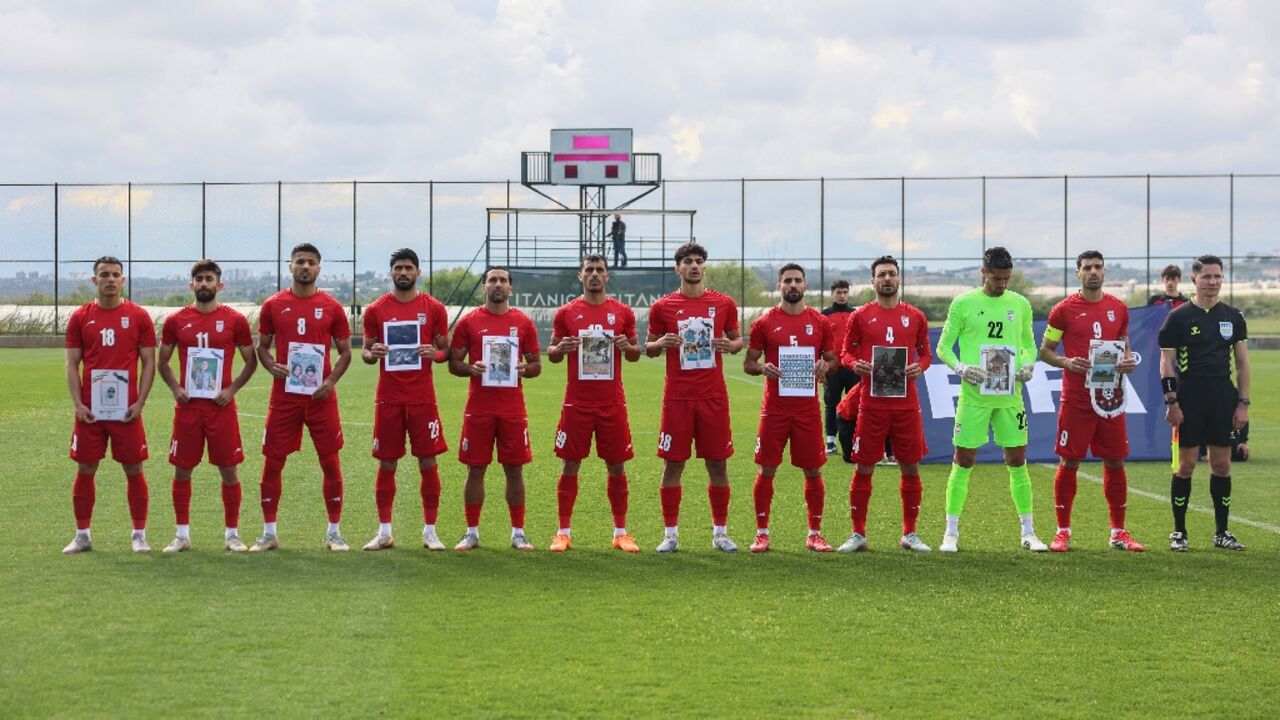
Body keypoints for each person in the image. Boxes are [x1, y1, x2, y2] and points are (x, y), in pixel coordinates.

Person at [936, 246, 1047, 553]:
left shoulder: (1020, 304)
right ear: (983, 272)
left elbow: (1028, 345)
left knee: (1017, 459)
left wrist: (1027, 364)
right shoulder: (964, 304)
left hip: (1010, 395)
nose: (1002, 284)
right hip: (974, 396)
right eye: (997, 278)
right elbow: (943, 347)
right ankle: (951, 533)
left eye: (1007, 278)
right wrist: (961, 367)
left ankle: (1028, 532)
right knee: (964, 459)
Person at [1038, 250, 1144, 553]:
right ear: (1078, 274)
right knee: (1069, 460)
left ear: (1105, 271)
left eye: (1098, 267)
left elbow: (1124, 344)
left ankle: (1118, 532)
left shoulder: (1118, 308)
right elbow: (1045, 350)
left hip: (1109, 396)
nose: (1093, 272)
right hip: (1076, 399)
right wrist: (1065, 362)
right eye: (1087, 268)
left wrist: (1126, 362)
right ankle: (1062, 532)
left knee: (1115, 460)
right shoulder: (1063, 310)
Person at [251, 243, 354, 552]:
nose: (305, 266)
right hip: (285, 396)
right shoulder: (273, 304)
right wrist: (272, 366)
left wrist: (331, 380)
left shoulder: (333, 306)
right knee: (273, 461)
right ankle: (269, 533)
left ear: (319, 269)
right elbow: (262, 347)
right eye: (300, 262)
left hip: (321, 397)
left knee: (330, 461)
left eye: (310, 262)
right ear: (290, 266)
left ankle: (334, 532)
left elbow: (346, 352)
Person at [646, 242, 744, 553]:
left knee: (718, 464)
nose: (694, 266)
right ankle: (671, 534)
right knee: (673, 464)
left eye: (699, 261)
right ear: (678, 268)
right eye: (687, 261)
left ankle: (720, 533)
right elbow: (648, 348)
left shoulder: (723, 303)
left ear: (705, 267)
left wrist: (731, 346)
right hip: (677, 397)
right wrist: (662, 341)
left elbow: (737, 339)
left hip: (713, 396)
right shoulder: (662, 307)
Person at [155, 259, 258, 553]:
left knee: (229, 471)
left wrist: (232, 389)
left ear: (219, 285)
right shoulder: (176, 321)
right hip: (188, 409)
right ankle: (182, 535)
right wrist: (175, 388)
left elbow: (251, 361)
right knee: (182, 471)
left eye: (209, 279)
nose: (204, 283)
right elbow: (162, 360)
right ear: (191, 285)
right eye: (198, 279)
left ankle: (232, 535)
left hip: (221, 409)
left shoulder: (235, 320)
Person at [545, 254, 642, 552]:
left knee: (616, 465)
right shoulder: (566, 313)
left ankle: (621, 532)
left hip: (612, 402)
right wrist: (560, 347)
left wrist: (629, 347)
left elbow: (636, 353)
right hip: (577, 402)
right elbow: (552, 353)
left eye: (600, 270)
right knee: (570, 463)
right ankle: (563, 532)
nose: (595, 275)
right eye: (589, 270)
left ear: (607, 276)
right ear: (581, 276)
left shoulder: (622, 312)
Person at [62, 256, 157, 555]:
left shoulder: (139, 316)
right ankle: (82, 535)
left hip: (126, 411)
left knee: (133, 467)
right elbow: (72, 363)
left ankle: (139, 534)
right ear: (95, 280)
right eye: (104, 274)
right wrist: (78, 404)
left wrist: (140, 403)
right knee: (86, 467)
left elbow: (149, 363)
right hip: (90, 411)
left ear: (123, 280)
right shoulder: (80, 317)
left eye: (116, 275)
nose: (111, 279)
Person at [358, 248, 450, 552]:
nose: (403, 273)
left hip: (423, 399)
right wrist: (375, 353)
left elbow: (444, 351)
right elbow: (366, 352)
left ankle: (430, 531)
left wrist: (433, 354)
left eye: (409, 268)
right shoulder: (375, 310)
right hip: (389, 398)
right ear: (390, 272)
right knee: (387, 462)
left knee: (428, 460)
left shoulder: (434, 308)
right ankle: (384, 531)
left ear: (418, 272)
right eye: (398, 268)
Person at [839, 255, 933, 553]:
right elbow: (845, 353)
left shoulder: (915, 316)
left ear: (899, 278)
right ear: (873, 281)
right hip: (871, 404)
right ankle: (858, 534)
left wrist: (921, 367)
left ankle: (910, 533)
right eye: (882, 275)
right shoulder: (861, 316)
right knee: (864, 466)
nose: (887, 279)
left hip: (906, 405)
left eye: (892, 274)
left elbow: (926, 354)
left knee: (910, 466)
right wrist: (856, 365)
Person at [742, 263, 836, 553]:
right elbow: (748, 363)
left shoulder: (820, 322)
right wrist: (762, 368)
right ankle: (761, 534)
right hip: (775, 409)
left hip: (807, 410)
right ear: (779, 286)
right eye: (787, 281)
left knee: (813, 471)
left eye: (797, 281)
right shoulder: (764, 322)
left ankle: (815, 534)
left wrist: (825, 366)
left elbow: (833, 361)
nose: (792, 285)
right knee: (767, 469)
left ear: (805, 286)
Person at [1159, 254, 1250, 551]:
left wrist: (1243, 404)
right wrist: (1171, 401)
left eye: (1217, 277)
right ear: (1194, 280)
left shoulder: (1233, 317)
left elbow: (1242, 366)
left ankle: (1222, 532)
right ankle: (1179, 532)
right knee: (1185, 465)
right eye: (1207, 277)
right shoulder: (1179, 317)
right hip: (1189, 396)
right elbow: (1167, 363)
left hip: (1222, 396)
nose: (1213, 282)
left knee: (1222, 465)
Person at [448, 266, 542, 551]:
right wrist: (471, 368)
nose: (497, 284)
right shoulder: (469, 322)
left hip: (513, 409)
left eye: (503, 280)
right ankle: (472, 532)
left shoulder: (523, 322)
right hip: (478, 409)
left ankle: (518, 532)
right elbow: (454, 364)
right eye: (492, 280)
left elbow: (537, 365)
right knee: (475, 470)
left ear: (510, 288)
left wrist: (524, 370)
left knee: (515, 470)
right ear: (484, 287)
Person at [822, 279, 857, 456]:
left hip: (852, 367)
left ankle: (854, 439)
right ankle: (830, 441)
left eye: (845, 292)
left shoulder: (856, 314)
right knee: (832, 404)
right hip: (833, 368)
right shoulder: (824, 315)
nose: (842, 296)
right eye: (839, 292)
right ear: (832, 294)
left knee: (855, 405)